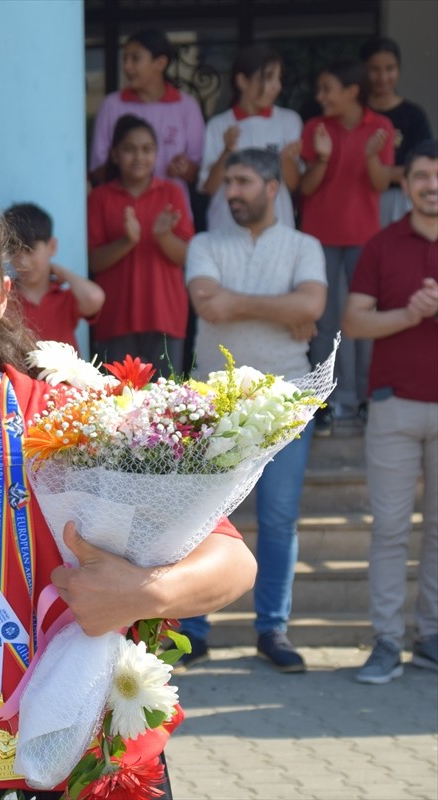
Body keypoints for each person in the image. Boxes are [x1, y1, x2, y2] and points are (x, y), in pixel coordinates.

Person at [0, 183, 255, 796]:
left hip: (98, 770)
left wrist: (144, 592)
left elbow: (233, 561)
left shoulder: (83, 427)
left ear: (5, 292)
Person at [181, 148, 327, 673]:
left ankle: (272, 630)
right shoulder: (203, 242)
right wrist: (280, 308)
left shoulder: (304, 245)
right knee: (199, 519)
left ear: (273, 188)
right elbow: (207, 304)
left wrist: (242, 303)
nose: (231, 191)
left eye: (243, 181)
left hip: (287, 398)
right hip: (212, 401)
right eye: (228, 182)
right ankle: (192, 629)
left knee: (280, 519)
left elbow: (311, 307)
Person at [343, 140, 438, 684]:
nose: (429, 185)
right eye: (421, 176)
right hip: (394, 406)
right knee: (391, 530)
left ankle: (430, 637)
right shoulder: (382, 245)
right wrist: (409, 314)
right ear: (406, 186)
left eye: (435, 176)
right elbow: (355, 322)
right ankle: (386, 641)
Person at [300, 58, 395, 434]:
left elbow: (380, 184)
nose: (321, 97)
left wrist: (372, 155)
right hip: (319, 238)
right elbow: (305, 188)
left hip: (364, 240)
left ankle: (366, 398)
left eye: (328, 89)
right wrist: (322, 157)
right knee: (324, 323)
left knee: (365, 321)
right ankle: (324, 402)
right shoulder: (315, 127)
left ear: (352, 91)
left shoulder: (381, 127)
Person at [88, 114, 194, 376]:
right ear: (114, 154)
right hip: (115, 317)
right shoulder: (100, 198)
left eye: (147, 149)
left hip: (164, 314)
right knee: (115, 409)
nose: (139, 157)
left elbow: (187, 256)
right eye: (129, 149)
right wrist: (128, 241)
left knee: (169, 409)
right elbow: (92, 261)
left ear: (157, 154)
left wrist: (163, 237)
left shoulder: (172, 192)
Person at [89, 28, 204, 212]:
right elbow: (97, 170)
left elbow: (199, 173)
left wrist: (183, 168)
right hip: (122, 211)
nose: (127, 66)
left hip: (172, 211)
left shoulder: (186, 106)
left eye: (135, 58)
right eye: (125, 58)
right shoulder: (111, 105)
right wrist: (126, 167)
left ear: (160, 63)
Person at [199, 46, 302, 236]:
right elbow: (210, 186)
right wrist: (227, 151)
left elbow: (294, 184)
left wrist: (286, 158)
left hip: (276, 230)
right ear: (242, 81)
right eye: (268, 78)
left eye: (279, 78)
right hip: (227, 230)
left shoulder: (288, 121)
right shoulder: (219, 125)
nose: (276, 86)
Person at [2, 202, 103, 348]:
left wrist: (63, 273)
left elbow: (94, 298)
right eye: (14, 252)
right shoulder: (5, 297)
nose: (23, 261)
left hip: (65, 371)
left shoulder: (64, 297)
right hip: (17, 371)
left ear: (52, 247)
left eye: (30, 250)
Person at [361, 37, 435, 226]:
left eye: (390, 68)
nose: (383, 77)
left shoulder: (413, 115)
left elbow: (423, 164)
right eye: (374, 70)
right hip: (359, 199)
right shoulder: (354, 114)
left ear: (399, 69)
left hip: (400, 200)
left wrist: (380, 172)